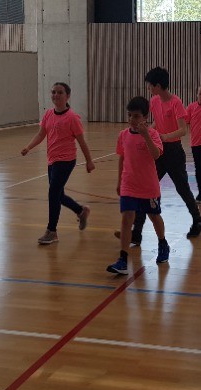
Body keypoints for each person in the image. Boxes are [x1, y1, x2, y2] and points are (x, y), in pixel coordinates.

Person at [120, 67, 201, 245]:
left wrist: (164, 136)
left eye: (150, 86)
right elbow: (156, 122)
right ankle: (137, 232)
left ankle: (197, 219)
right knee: (144, 189)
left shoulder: (176, 102)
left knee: (182, 188)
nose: (149, 89)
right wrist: (149, 131)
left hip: (173, 152)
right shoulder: (154, 101)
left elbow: (183, 129)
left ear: (158, 86)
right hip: (158, 150)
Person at [21, 82, 95, 245]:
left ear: (67, 96)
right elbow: (41, 134)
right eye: (53, 92)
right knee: (58, 195)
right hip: (52, 160)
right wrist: (29, 147)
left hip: (66, 161)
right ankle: (81, 211)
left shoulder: (72, 117)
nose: (56, 95)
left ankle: (52, 231)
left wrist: (89, 161)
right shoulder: (48, 114)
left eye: (60, 92)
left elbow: (82, 142)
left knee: (53, 193)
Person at [107, 96, 169, 275]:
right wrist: (119, 181)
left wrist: (146, 136)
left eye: (136, 116)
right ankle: (122, 259)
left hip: (148, 186)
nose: (132, 120)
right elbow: (122, 158)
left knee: (154, 216)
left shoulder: (153, 134)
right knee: (127, 218)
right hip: (129, 184)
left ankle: (162, 243)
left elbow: (156, 154)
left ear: (145, 117)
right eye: (129, 115)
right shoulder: (123, 135)